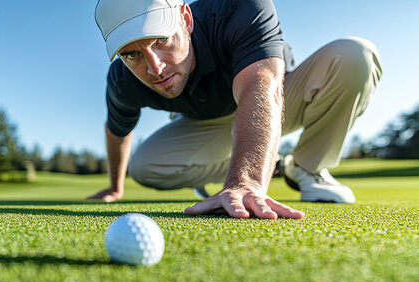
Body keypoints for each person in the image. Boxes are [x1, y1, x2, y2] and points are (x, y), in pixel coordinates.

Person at [89, 0, 382, 219]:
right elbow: (117, 130)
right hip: (210, 125)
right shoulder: (122, 79)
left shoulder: (237, 7)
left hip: (279, 98)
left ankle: (308, 167)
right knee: (144, 167)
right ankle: (273, 162)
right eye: (132, 53)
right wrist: (116, 188)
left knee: (354, 55)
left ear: (185, 19)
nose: (155, 67)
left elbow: (261, 86)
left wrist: (245, 182)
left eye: (162, 40)